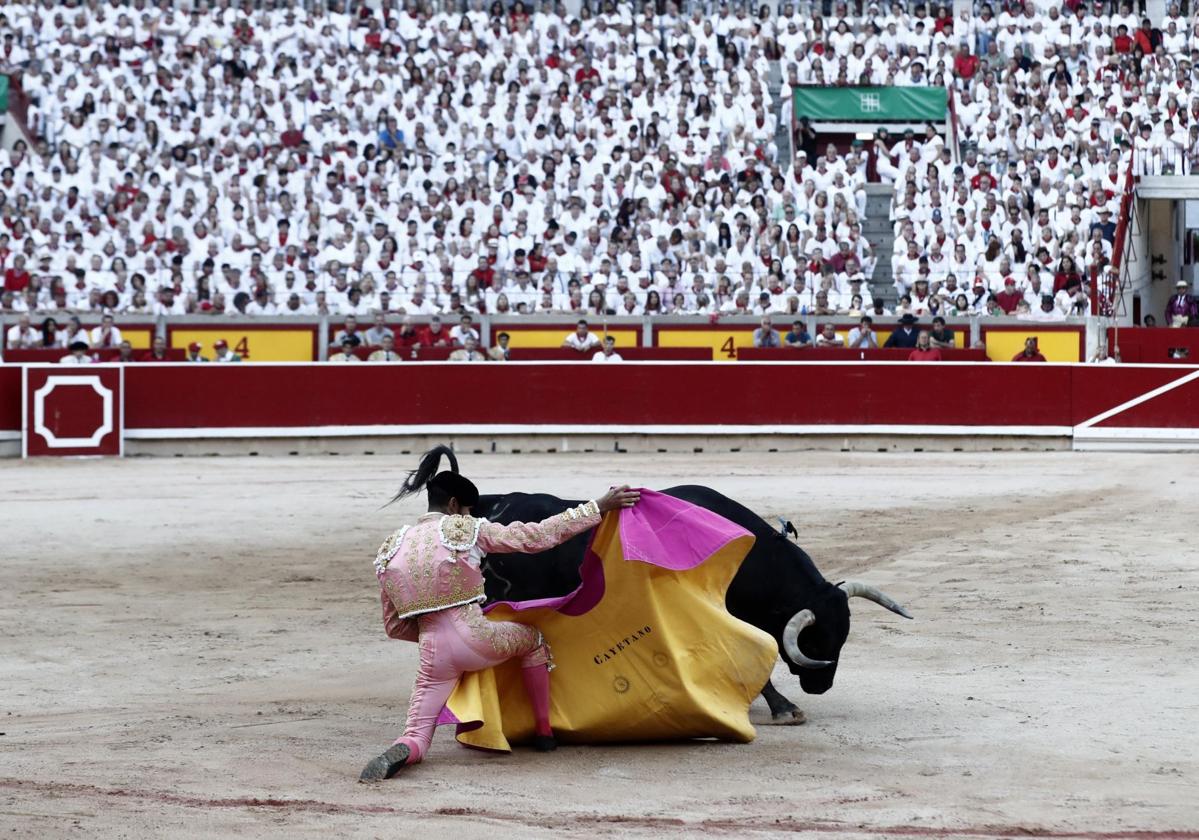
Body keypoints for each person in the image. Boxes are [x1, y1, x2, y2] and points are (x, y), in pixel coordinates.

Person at [359, 446, 639, 781]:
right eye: (465, 509)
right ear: (454, 507)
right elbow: (536, 537)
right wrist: (598, 507)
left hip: (432, 655)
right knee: (533, 640)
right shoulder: (467, 530)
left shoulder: (392, 547)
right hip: (476, 638)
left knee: (417, 733)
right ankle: (545, 732)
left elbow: (393, 626)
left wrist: (436, 635)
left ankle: (408, 748)